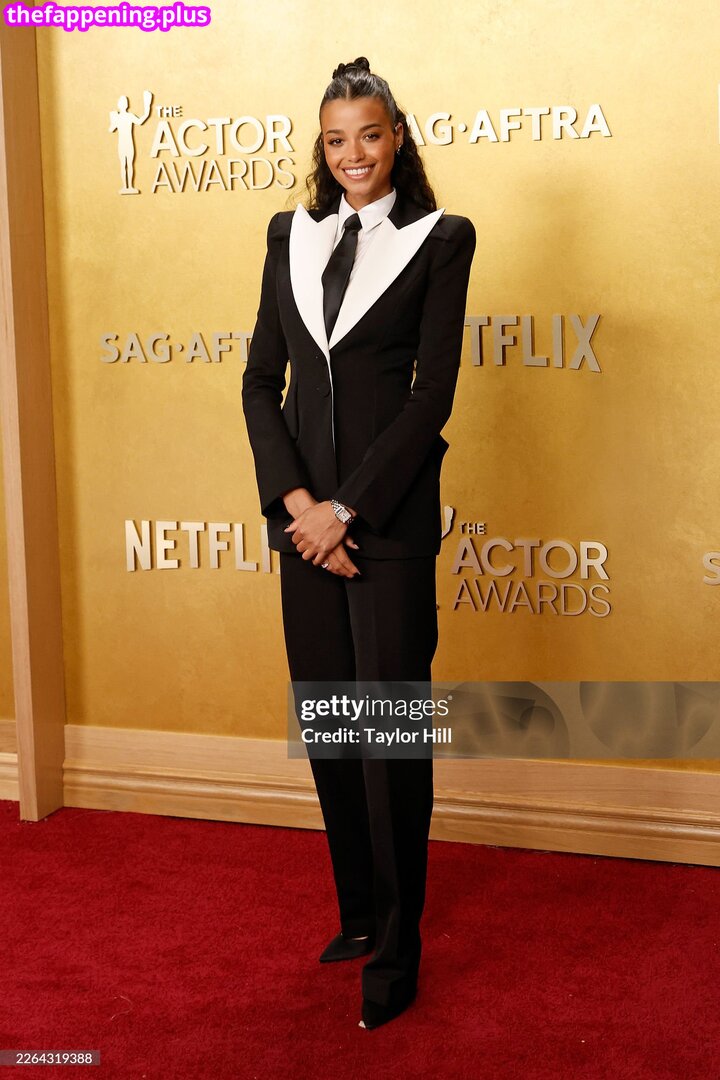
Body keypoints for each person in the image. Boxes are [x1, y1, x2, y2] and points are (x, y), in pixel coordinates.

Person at [242, 56, 476, 1030]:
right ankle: (358, 915)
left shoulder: (441, 238)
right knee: (333, 729)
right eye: (336, 139)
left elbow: (431, 397)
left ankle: (398, 950)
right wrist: (302, 507)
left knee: (389, 741)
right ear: (323, 145)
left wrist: (348, 511)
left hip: (386, 526)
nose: (353, 154)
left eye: (369, 135)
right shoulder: (288, 236)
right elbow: (262, 382)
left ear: (397, 137)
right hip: (305, 527)